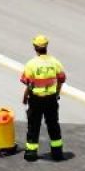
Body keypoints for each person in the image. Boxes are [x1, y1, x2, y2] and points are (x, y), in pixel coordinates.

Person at [20, 33, 66, 162]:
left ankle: (31, 153)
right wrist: (57, 93)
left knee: (34, 125)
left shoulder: (31, 64)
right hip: (51, 99)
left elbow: (28, 84)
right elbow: (61, 79)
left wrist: (25, 97)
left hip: (36, 100)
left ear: (35, 47)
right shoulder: (55, 62)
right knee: (53, 125)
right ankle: (57, 153)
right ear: (46, 46)